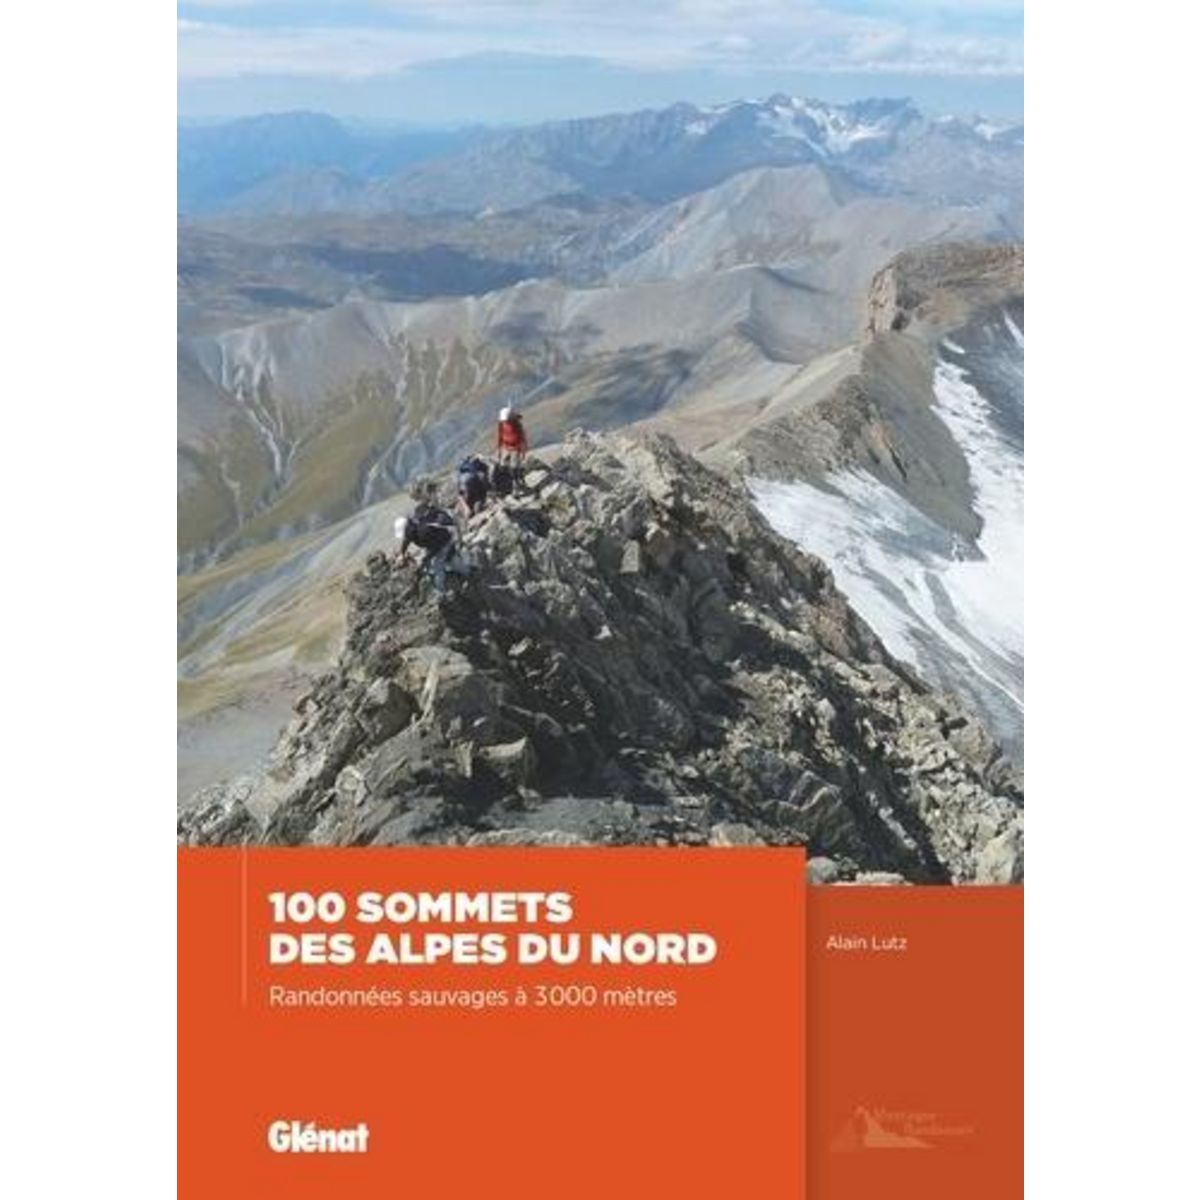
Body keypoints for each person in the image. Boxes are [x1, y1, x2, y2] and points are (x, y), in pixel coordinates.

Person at [394, 504, 469, 593]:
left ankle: (442, 590)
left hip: (445, 540)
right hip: (435, 540)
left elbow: (437, 547)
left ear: (407, 529)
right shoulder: (413, 526)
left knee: (437, 565)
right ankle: (463, 571)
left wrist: (426, 558)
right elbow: (406, 540)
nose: (405, 536)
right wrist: (402, 553)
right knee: (440, 561)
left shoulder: (422, 532)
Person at [496, 405, 528, 475]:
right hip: (506, 447)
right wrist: (499, 449)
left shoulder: (517, 424)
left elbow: (522, 437)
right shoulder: (502, 424)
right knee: (503, 465)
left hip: (515, 448)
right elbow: (500, 436)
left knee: (514, 466)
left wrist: (523, 450)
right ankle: (507, 477)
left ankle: (516, 477)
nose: (506, 422)